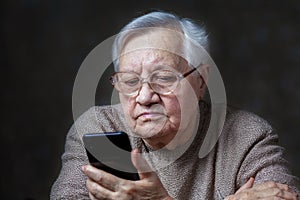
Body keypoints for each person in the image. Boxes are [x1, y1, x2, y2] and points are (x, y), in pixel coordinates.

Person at [50, 11, 299, 199]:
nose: (145, 96)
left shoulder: (247, 135)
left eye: (164, 77)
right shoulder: (97, 128)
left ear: (201, 81)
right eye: (130, 80)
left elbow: (284, 195)